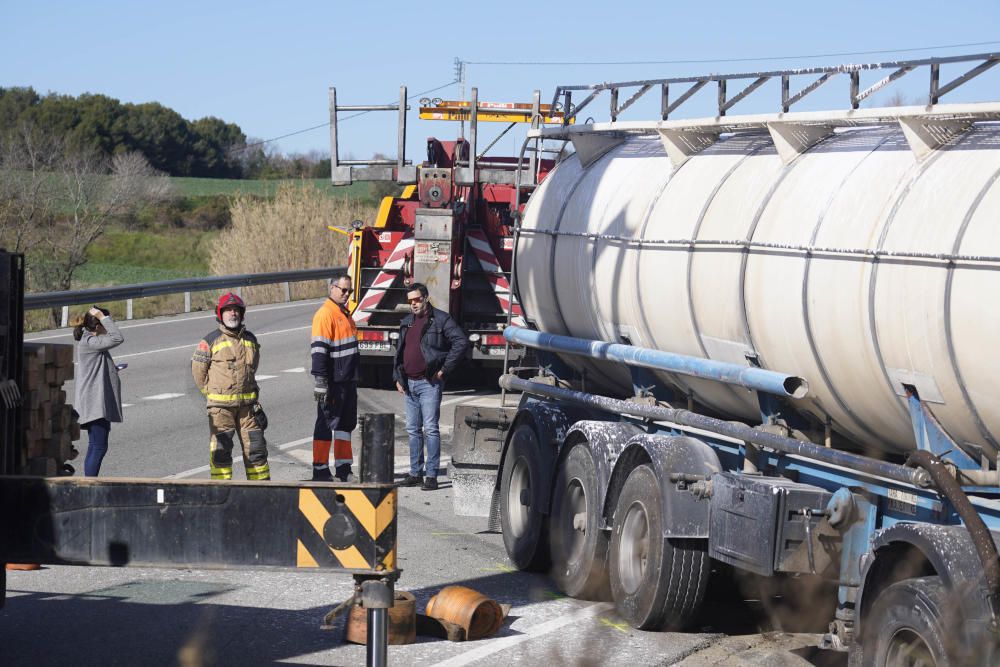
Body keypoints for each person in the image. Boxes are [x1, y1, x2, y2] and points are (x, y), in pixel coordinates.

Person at [394, 283, 468, 491]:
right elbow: (399, 352)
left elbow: (460, 342)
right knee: (413, 430)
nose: (414, 304)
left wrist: (444, 370)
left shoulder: (441, 319)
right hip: (409, 383)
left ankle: (431, 476)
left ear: (426, 298)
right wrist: (397, 377)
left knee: (431, 429)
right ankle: (415, 473)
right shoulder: (407, 322)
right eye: (410, 301)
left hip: (429, 384)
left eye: (417, 299)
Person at [191, 292, 270, 481]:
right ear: (220, 314)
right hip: (221, 410)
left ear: (241, 314)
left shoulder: (250, 340)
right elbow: (198, 373)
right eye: (228, 310)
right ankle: (222, 493)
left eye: (236, 310)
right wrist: (213, 396)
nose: (232, 314)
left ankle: (262, 494)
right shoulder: (209, 341)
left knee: (257, 452)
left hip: (248, 409)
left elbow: (253, 367)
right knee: (221, 453)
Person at [310, 274, 359, 482]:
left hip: (347, 381)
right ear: (332, 288)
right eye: (343, 290)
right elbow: (319, 351)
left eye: (349, 291)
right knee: (326, 423)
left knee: (344, 425)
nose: (346, 294)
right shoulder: (325, 314)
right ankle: (320, 468)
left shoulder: (344, 313)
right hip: (333, 382)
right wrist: (321, 381)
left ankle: (343, 468)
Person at [71, 306, 125, 476]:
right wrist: (103, 317)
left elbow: (95, 367)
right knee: (98, 446)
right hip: (94, 403)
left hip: (95, 401)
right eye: (104, 323)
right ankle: (90, 483)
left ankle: (89, 481)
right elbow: (117, 338)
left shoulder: (90, 341)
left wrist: (111, 369)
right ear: (97, 326)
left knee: (96, 445)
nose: (107, 326)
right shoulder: (90, 342)